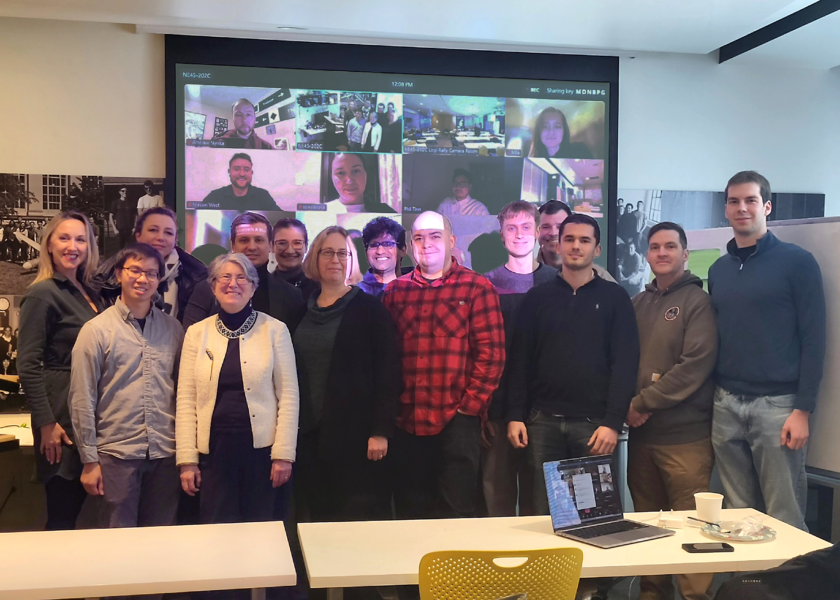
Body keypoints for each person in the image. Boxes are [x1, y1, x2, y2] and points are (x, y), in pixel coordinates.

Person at [709, 171, 825, 530]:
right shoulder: (718, 269)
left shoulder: (797, 262)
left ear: (767, 207)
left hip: (778, 408)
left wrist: (802, 410)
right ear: (725, 209)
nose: (741, 208)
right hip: (725, 404)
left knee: (784, 516)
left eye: (750, 200)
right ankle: (747, 587)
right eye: (733, 201)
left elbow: (814, 338)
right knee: (737, 519)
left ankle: (790, 588)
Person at [506, 214, 639, 516]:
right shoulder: (536, 298)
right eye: (569, 239)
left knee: (595, 516)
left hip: (594, 427)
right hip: (542, 424)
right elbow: (519, 361)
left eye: (584, 240)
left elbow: (625, 363)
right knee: (542, 514)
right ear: (559, 244)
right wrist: (514, 415)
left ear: (597, 249)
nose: (576, 246)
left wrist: (612, 422)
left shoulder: (615, 298)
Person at [383, 211, 505, 519]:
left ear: (451, 242)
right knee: (411, 512)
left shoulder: (477, 289)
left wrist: (469, 408)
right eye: (419, 238)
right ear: (410, 246)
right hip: (406, 421)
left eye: (436, 236)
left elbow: (492, 354)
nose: (427, 243)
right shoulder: (395, 292)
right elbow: (385, 357)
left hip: (456, 420)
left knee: (457, 513)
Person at [626, 222, 718, 600]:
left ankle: (695, 597)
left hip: (686, 441)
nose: (661, 253)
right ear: (647, 255)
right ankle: (652, 593)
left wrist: (641, 403)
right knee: (649, 527)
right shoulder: (637, 303)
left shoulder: (699, 302)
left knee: (693, 530)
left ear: (685, 254)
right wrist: (627, 408)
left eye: (670, 246)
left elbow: (695, 365)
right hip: (642, 437)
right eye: (654, 247)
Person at [176, 253, 299, 525]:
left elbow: (289, 397)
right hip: (213, 455)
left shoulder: (275, 330)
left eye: (242, 277)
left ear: (253, 287)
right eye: (225, 277)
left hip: (263, 455)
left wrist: (283, 455)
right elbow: (186, 399)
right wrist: (187, 459)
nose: (233, 284)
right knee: (217, 533)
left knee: (262, 534)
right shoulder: (197, 333)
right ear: (213, 286)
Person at [70, 243, 184, 529]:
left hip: (165, 455)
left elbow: (184, 394)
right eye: (135, 270)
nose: (142, 279)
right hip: (116, 457)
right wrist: (89, 460)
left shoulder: (174, 330)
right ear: (119, 274)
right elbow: (82, 399)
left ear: (159, 280)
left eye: (151, 273)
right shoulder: (96, 331)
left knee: (160, 544)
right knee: (117, 548)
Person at [292, 226, 400, 522]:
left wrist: (380, 431)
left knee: (352, 520)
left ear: (352, 260)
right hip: (307, 438)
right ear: (315, 258)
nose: (335, 259)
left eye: (343, 253)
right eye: (328, 252)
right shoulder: (299, 313)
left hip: (355, 440)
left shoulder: (370, 310)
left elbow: (388, 374)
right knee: (313, 520)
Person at [18, 211, 103, 530]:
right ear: (49, 245)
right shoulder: (42, 293)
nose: (73, 246)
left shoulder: (85, 290)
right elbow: (27, 364)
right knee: (63, 514)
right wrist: (45, 423)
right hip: (60, 416)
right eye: (64, 238)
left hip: (87, 408)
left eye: (80, 239)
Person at [481, 201, 556, 517]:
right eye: (511, 228)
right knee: (496, 497)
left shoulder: (559, 283)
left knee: (541, 503)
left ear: (538, 232)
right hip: (497, 408)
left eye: (526, 227)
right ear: (501, 235)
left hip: (547, 412)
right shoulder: (485, 285)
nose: (519, 234)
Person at [184, 212, 303, 329]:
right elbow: (193, 338)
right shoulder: (206, 289)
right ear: (233, 246)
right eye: (244, 240)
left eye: (259, 240)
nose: (252, 247)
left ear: (271, 246)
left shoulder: (291, 295)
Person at [94, 207, 208, 324]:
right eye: (153, 230)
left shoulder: (198, 276)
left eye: (168, 233)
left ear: (175, 239)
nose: (160, 238)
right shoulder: (106, 276)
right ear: (138, 235)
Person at [537, 200, 614, 281]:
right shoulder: (526, 274)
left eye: (560, 227)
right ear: (536, 231)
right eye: (545, 227)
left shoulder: (604, 279)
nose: (553, 233)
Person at [197, 153, 278, 211]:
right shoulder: (215, 196)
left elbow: (282, 219)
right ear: (229, 172)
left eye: (246, 170)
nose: (242, 174)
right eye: (236, 169)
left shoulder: (263, 196)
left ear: (251, 173)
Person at [326, 153, 396, 214]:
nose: (349, 181)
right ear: (331, 177)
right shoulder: (322, 213)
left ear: (365, 174)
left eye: (356, 171)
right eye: (340, 173)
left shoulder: (385, 211)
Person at [272, 218, 320, 301]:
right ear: (272, 246)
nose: (289, 251)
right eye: (282, 243)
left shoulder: (319, 287)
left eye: (297, 243)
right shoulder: (262, 286)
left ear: (306, 246)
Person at [358, 216, 407, 297]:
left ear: (402, 250)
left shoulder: (417, 288)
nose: (380, 251)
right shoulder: (356, 293)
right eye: (374, 245)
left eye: (387, 244)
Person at [528, 107, 593, 159]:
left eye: (557, 126)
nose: (551, 132)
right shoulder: (533, 157)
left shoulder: (580, 151)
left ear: (564, 130)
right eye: (545, 126)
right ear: (539, 131)